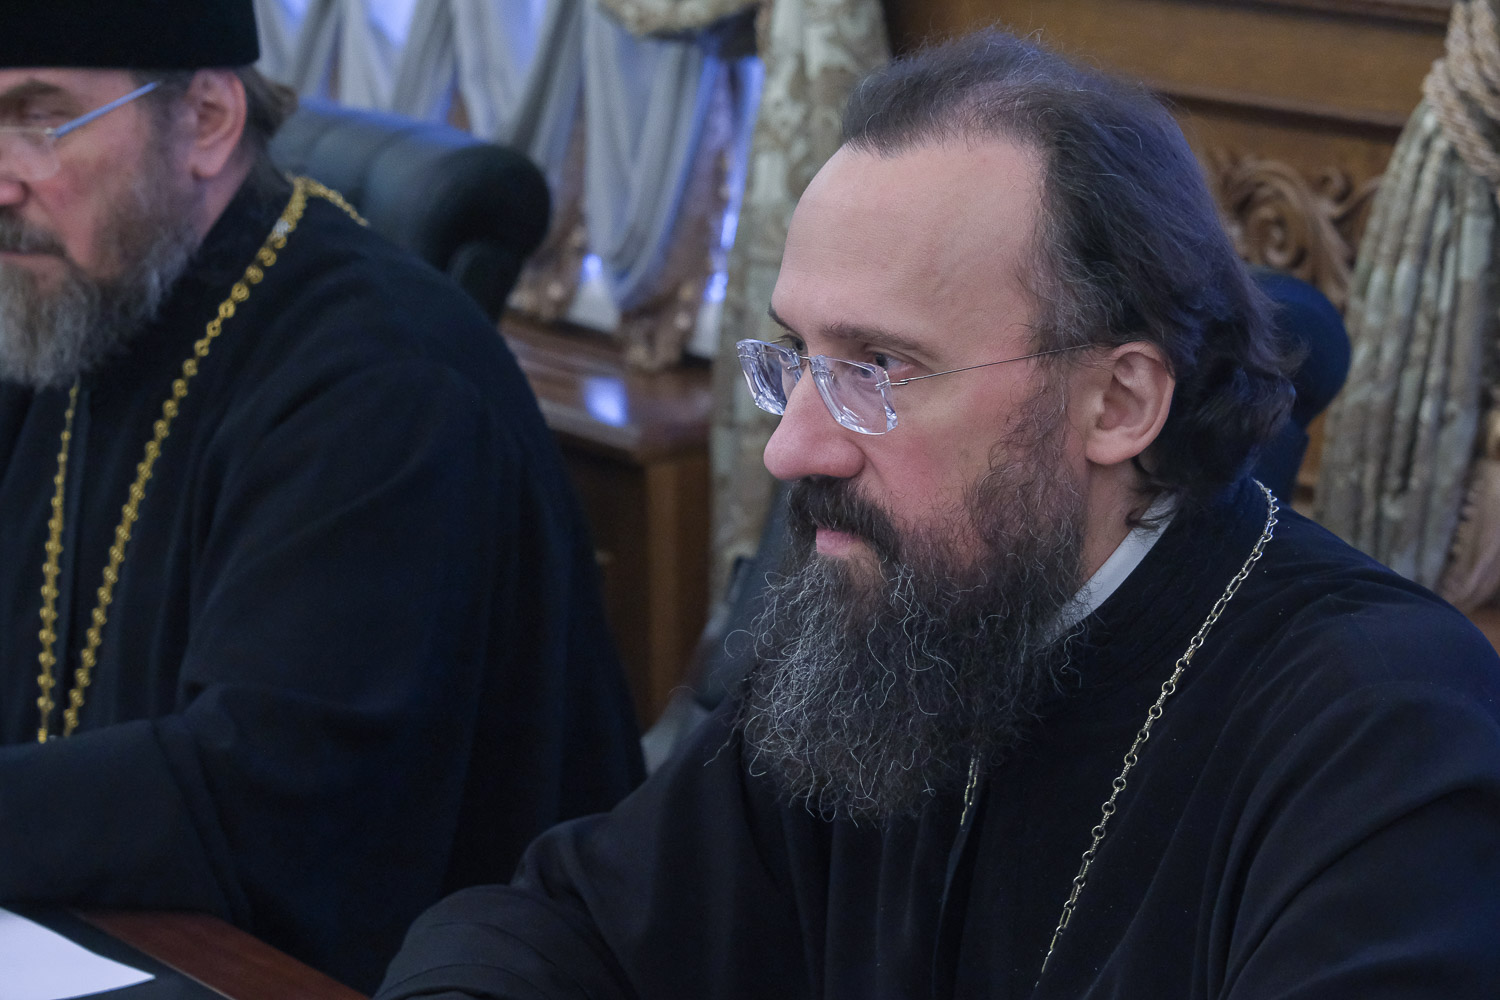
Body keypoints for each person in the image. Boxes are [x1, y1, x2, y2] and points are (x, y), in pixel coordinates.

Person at [374, 29, 1500, 1000]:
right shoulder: (892, 615)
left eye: (878, 367)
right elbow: (568, 923)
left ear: (1118, 403)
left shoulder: (1382, 728)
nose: (791, 448)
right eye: (798, 355)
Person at [0, 1, 643, 991]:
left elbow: (260, 795)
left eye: (39, 118)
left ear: (206, 121)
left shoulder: (383, 382)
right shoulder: (79, 302)